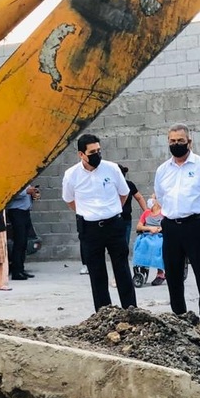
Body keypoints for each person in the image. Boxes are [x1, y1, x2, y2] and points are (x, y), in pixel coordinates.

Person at [154, 123, 200, 325]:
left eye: (180, 141)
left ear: (189, 142)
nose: (176, 144)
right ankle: (179, 316)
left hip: (196, 226)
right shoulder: (162, 170)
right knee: (173, 274)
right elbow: (160, 196)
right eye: (172, 141)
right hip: (170, 227)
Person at [62, 133, 137, 311]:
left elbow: (124, 193)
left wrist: (111, 210)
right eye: (92, 152)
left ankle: (131, 310)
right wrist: (87, 212)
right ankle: (104, 313)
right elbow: (69, 200)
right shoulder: (71, 175)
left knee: (122, 269)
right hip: (90, 229)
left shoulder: (111, 169)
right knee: (97, 274)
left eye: (98, 150)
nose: (97, 155)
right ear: (81, 154)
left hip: (114, 225)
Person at [5, 183, 39, 280]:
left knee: (24, 241)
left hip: (25, 211)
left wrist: (34, 193)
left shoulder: (26, 181)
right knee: (19, 241)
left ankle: (21, 269)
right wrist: (26, 192)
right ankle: (16, 272)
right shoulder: (14, 180)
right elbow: (11, 193)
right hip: (16, 211)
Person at [134, 196, 166, 285]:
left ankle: (160, 273)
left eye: (153, 198)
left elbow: (168, 224)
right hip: (147, 235)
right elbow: (139, 226)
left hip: (160, 236)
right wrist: (149, 228)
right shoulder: (146, 213)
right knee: (142, 243)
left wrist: (159, 229)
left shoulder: (164, 212)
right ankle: (142, 267)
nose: (150, 200)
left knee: (157, 245)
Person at [118, 164, 148, 246]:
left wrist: (146, 212)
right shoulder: (109, 186)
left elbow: (139, 198)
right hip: (112, 220)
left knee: (124, 244)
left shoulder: (129, 184)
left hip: (125, 219)